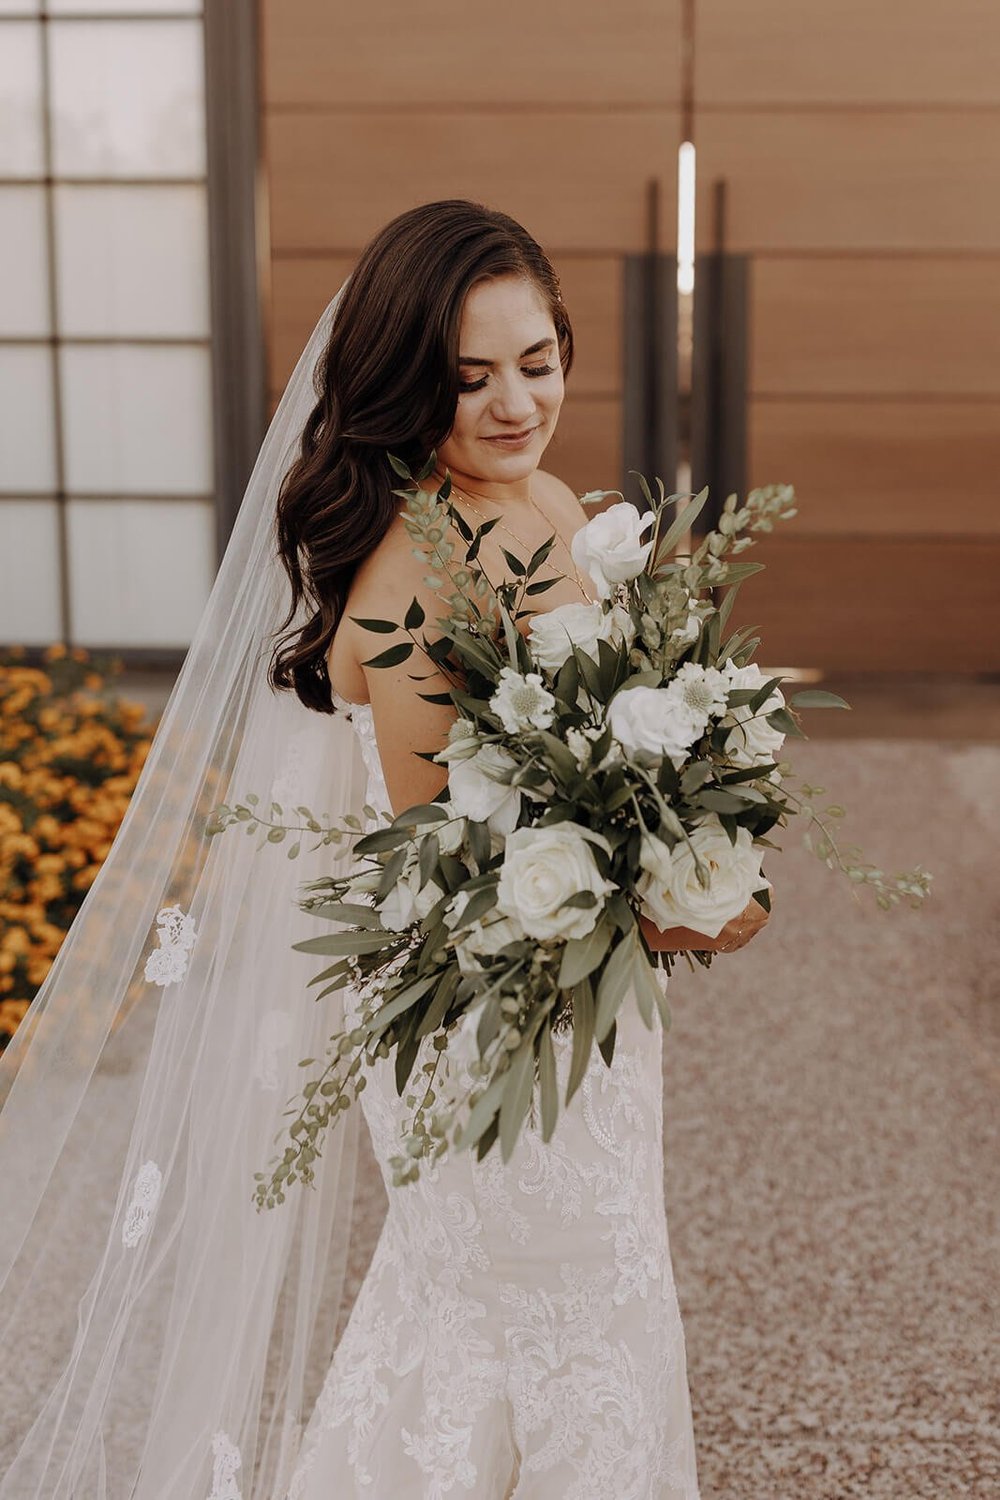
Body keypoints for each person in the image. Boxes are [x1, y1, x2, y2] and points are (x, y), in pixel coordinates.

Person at [0, 199, 766, 1500]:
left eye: (539, 360)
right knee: (546, 1316)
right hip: (487, 1019)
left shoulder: (553, 499)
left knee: (533, 1309)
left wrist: (693, 810)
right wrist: (684, 905)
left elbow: (594, 767)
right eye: (469, 378)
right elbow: (464, 869)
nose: (516, 403)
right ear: (407, 382)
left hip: (580, 1004)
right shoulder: (417, 579)